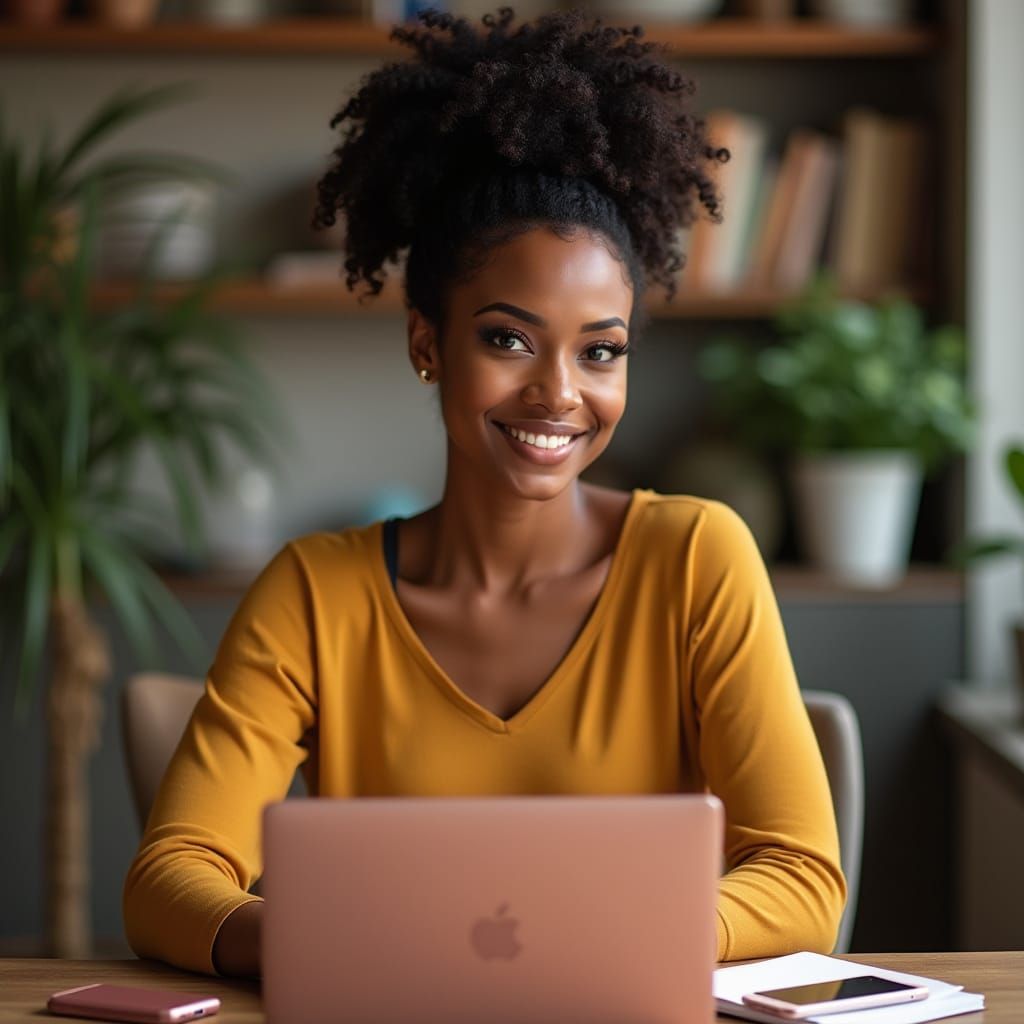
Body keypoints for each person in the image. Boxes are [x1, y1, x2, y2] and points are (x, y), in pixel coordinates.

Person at [123, 5, 845, 979]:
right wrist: (336, 945)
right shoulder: (316, 594)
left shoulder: (694, 559)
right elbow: (170, 877)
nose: (558, 393)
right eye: (508, 338)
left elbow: (801, 876)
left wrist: (629, 936)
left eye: (600, 352)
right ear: (429, 342)